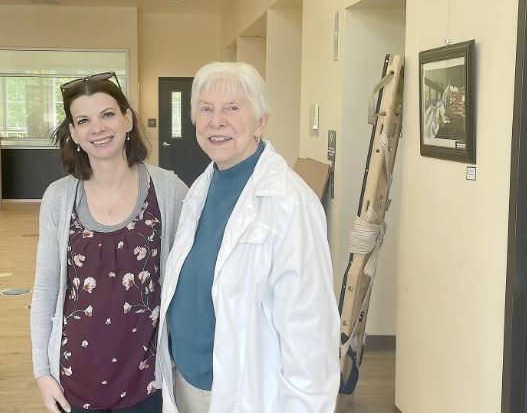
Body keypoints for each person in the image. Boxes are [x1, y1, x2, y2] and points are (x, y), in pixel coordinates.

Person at [156, 62, 340, 413]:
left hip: (248, 393)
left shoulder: (290, 202)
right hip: (186, 386)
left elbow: (309, 329)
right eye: (206, 109)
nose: (217, 120)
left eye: (232, 108)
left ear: (260, 121)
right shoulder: (202, 187)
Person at [31, 72, 188, 413]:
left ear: (127, 119)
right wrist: (42, 373)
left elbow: (186, 282)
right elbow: (46, 290)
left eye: (107, 114)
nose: (97, 128)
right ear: (73, 132)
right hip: (73, 379)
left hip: (147, 379)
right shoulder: (58, 197)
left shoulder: (169, 191)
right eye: (84, 120)